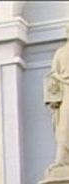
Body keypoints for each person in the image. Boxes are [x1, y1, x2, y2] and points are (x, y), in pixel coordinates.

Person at [46, 28, 69, 168]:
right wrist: (63, 80)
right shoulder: (60, 52)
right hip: (66, 91)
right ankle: (62, 159)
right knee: (64, 125)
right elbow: (54, 72)